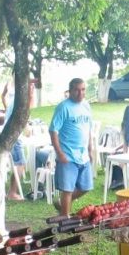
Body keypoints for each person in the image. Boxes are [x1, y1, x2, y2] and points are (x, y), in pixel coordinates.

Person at [49, 78, 94, 216]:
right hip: (68, 155)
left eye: (83, 89)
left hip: (83, 155)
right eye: (76, 90)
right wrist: (60, 153)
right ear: (70, 91)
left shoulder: (86, 106)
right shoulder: (63, 107)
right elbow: (53, 130)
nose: (80, 93)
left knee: (86, 187)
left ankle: (63, 204)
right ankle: (64, 218)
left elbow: (88, 129)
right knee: (67, 190)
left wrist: (90, 149)